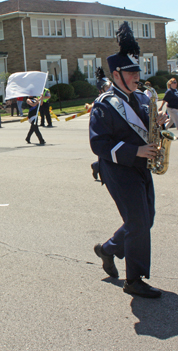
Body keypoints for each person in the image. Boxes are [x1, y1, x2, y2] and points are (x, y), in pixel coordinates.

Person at [90, 22, 168, 298]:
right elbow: (98, 143)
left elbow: (147, 131)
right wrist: (134, 151)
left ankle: (108, 249)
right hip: (117, 168)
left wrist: (158, 123)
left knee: (146, 220)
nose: (138, 75)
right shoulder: (104, 103)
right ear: (116, 74)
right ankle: (134, 280)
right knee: (137, 222)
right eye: (132, 71)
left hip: (141, 167)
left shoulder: (144, 100)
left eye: (138, 70)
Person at [90, 67, 113, 181]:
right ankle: (99, 166)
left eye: (110, 86)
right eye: (107, 87)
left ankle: (98, 165)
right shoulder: (100, 100)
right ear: (101, 90)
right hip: (103, 129)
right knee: (105, 151)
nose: (110, 88)